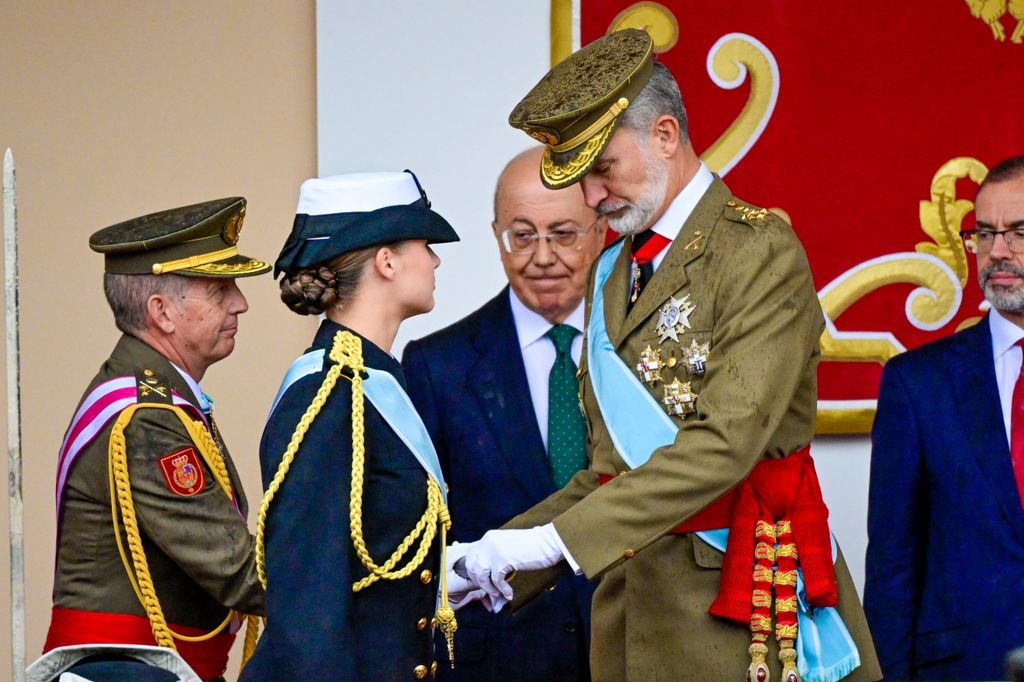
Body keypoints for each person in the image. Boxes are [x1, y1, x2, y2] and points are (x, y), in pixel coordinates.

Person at [453, 29, 881, 682]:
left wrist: (555, 542)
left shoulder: (757, 251)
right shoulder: (610, 269)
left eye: (602, 169)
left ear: (664, 135)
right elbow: (608, 471)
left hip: (733, 611)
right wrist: (500, 560)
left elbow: (724, 445)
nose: (592, 196)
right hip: (626, 607)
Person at [38, 198, 270, 682]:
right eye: (219, 288)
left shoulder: (159, 399)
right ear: (161, 312)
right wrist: (377, 575)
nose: (240, 302)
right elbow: (238, 572)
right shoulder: (147, 417)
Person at [241, 171, 461, 681]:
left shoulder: (372, 377)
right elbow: (308, 605)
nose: (435, 260)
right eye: (425, 245)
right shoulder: (328, 391)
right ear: (386, 261)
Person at [402, 146, 599, 680]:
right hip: (500, 659)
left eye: (563, 234)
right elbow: (420, 539)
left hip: (628, 644)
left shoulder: (632, 349)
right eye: (522, 234)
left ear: (600, 230)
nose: (541, 256)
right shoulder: (437, 365)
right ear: (496, 235)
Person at [865, 155, 1024, 680]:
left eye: (1018, 232)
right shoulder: (917, 385)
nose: (997, 252)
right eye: (984, 234)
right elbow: (892, 567)